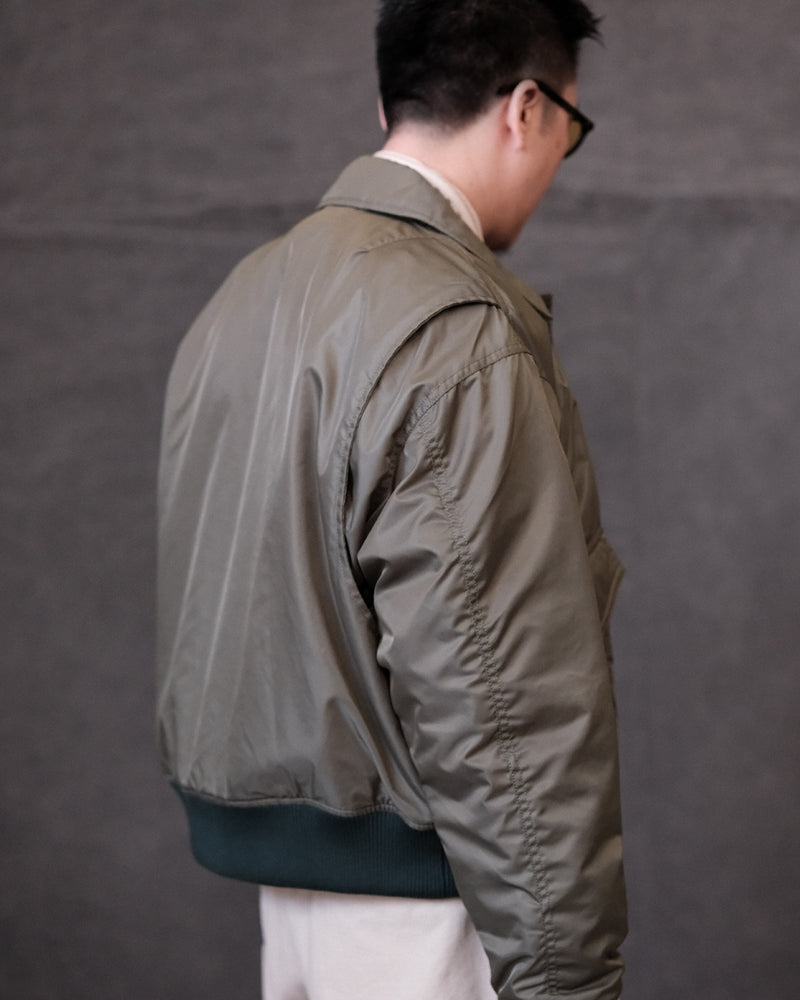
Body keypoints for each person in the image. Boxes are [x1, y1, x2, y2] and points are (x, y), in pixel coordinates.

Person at [156, 1, 628, 997]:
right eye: (570, 128)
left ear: (387, 106)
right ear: (527, 110)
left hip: (289, 903)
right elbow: (503, 703)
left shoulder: (242, 299)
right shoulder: (453, 328)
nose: (558, 157)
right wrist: (568, 980)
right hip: (428, 916)